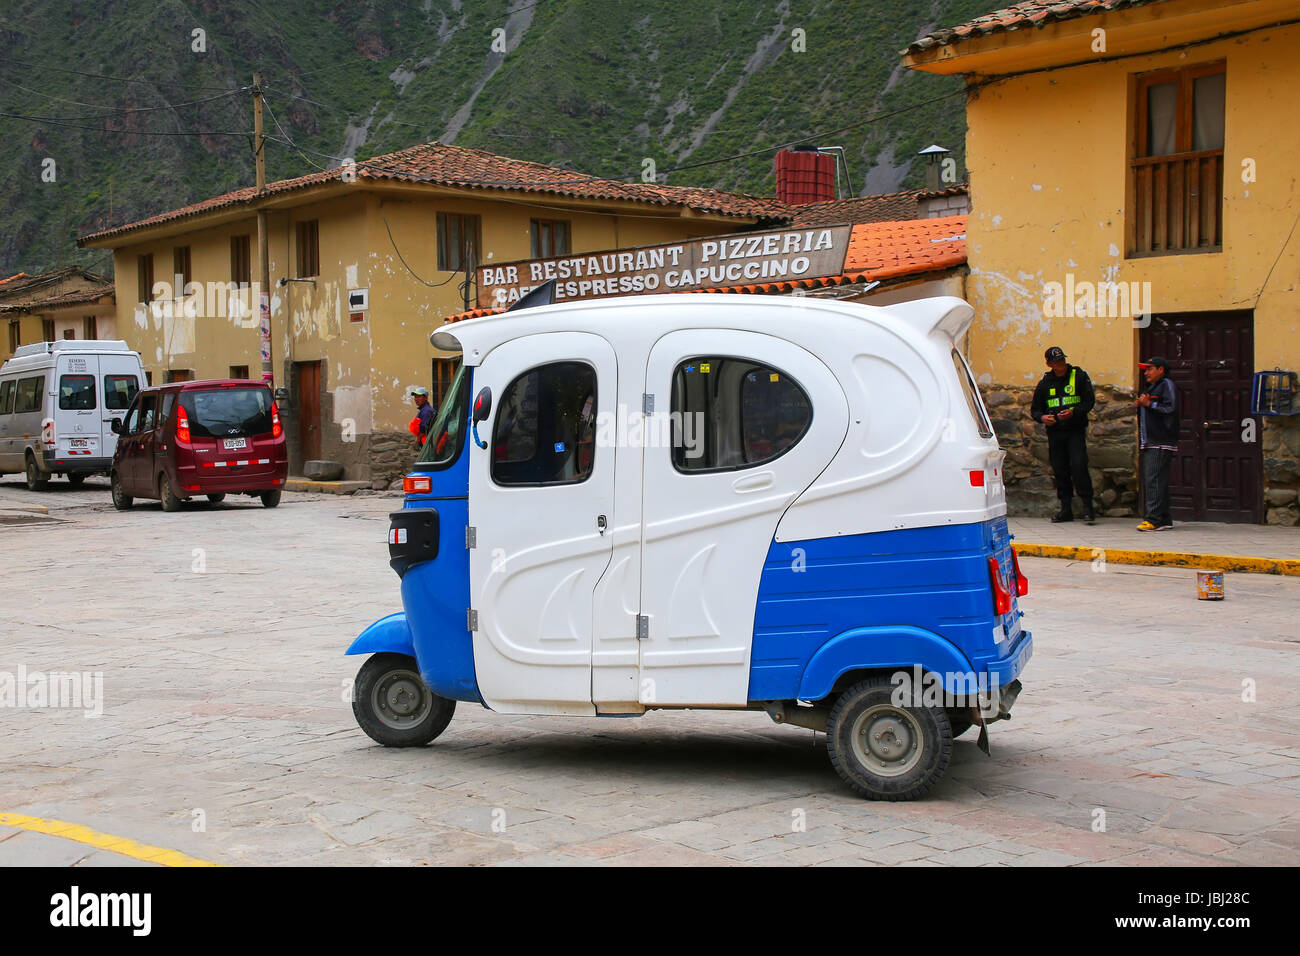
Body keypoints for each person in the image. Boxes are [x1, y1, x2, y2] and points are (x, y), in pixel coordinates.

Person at [1030, 346, 1096, 523]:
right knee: (1060, 470)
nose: (1060, 364)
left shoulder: (1079, 376)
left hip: (1075, 430)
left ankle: (1088, 507)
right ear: (1049, 363)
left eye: (1062, 360)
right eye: (1056, 361)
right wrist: (1043, 417)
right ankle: (1066, 509)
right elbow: (1035, 409)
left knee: (1079, 466)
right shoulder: (1045, 382)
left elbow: (1089, 401)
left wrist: (1074, 412)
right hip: (1055, 433)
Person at [1134, 356, 1178, 531]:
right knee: (1159, 481)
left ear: (1161, 369)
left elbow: (1170, 409)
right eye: (1145, 370)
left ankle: (1153, 519)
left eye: (1150, 369)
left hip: (1160, 441)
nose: (1146, 373)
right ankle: (1164, 518)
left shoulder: (1167, 385)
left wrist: (1149, 404)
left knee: (1153, 480)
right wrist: (1141, 404)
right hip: (1151, 440)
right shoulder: (1152, 387)